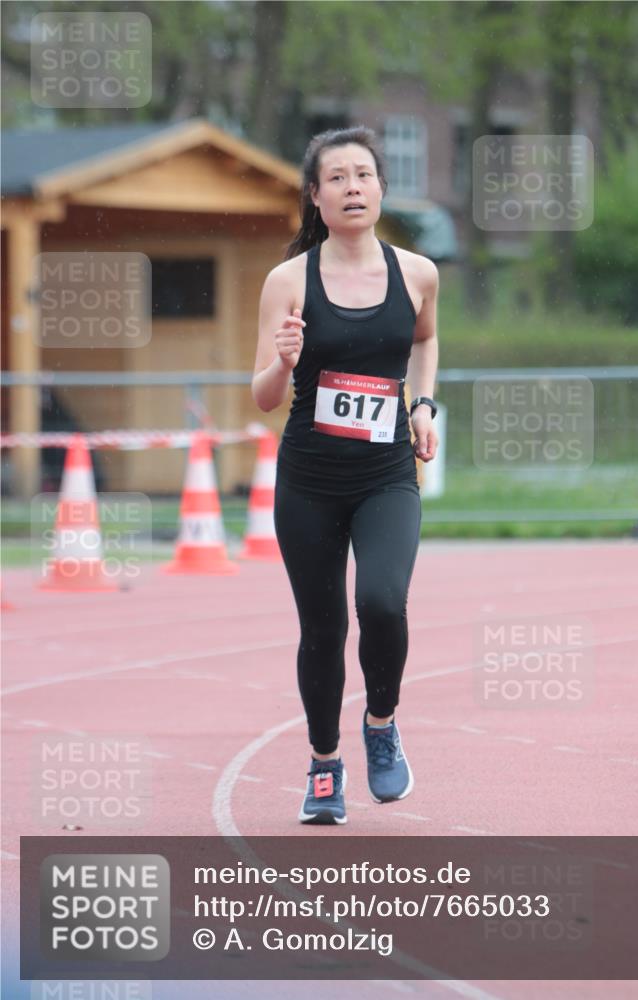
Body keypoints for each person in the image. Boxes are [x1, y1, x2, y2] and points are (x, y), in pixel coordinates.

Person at [251, 126, 439, 825]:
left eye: (363, 174)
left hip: (387, 473)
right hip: (308, 479)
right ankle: (324, 764)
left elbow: (423, 340)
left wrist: (422, 404)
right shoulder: (288, 280)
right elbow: (264, 397)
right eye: (337, 178)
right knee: (323, 629)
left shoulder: (417, 273)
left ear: (380, 188)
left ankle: (382, 724)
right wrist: (282, 358)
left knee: (383, 603)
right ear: (315, 196)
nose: (352, 186)